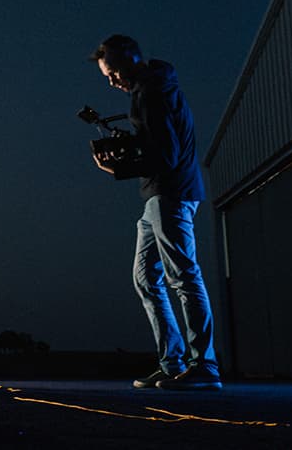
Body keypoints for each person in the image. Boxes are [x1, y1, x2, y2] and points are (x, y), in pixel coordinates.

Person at [87, 33, 221, 391]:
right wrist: (130, 148)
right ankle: (173, 363)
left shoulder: (152, 93)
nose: (112, 81)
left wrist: (119, 168)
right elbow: (160, 143)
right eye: (107, 76)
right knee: (146, 278)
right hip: (158, 196)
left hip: (170, 192)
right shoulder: (151, 89)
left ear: (131, 60)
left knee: (183, 275)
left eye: (113, 72)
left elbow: (167, 156)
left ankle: (204, 365)